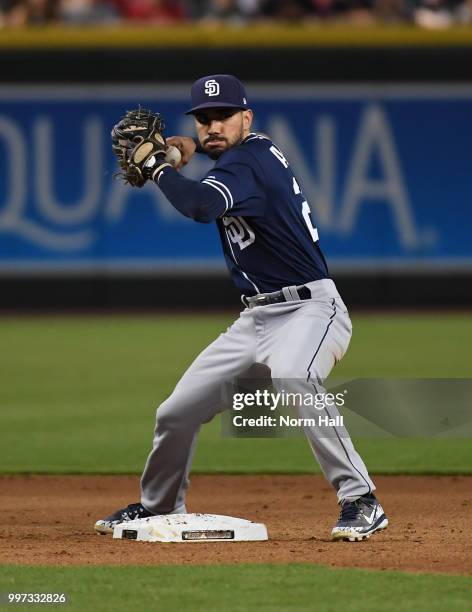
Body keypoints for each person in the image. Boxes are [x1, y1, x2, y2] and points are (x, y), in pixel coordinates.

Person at [95, 74, 388, 542]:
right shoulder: (249, 153)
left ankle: (361, 499)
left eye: (224, 116)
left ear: (246, 117)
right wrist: (182, 148)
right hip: (255, 319)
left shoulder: (245, 163)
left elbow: (200, 206)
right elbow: (215, 161)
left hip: (310, 310)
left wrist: (158, 167)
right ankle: (159, 504)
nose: (213, 125)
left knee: (295, 375)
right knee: (176, 411)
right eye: (204, 118)